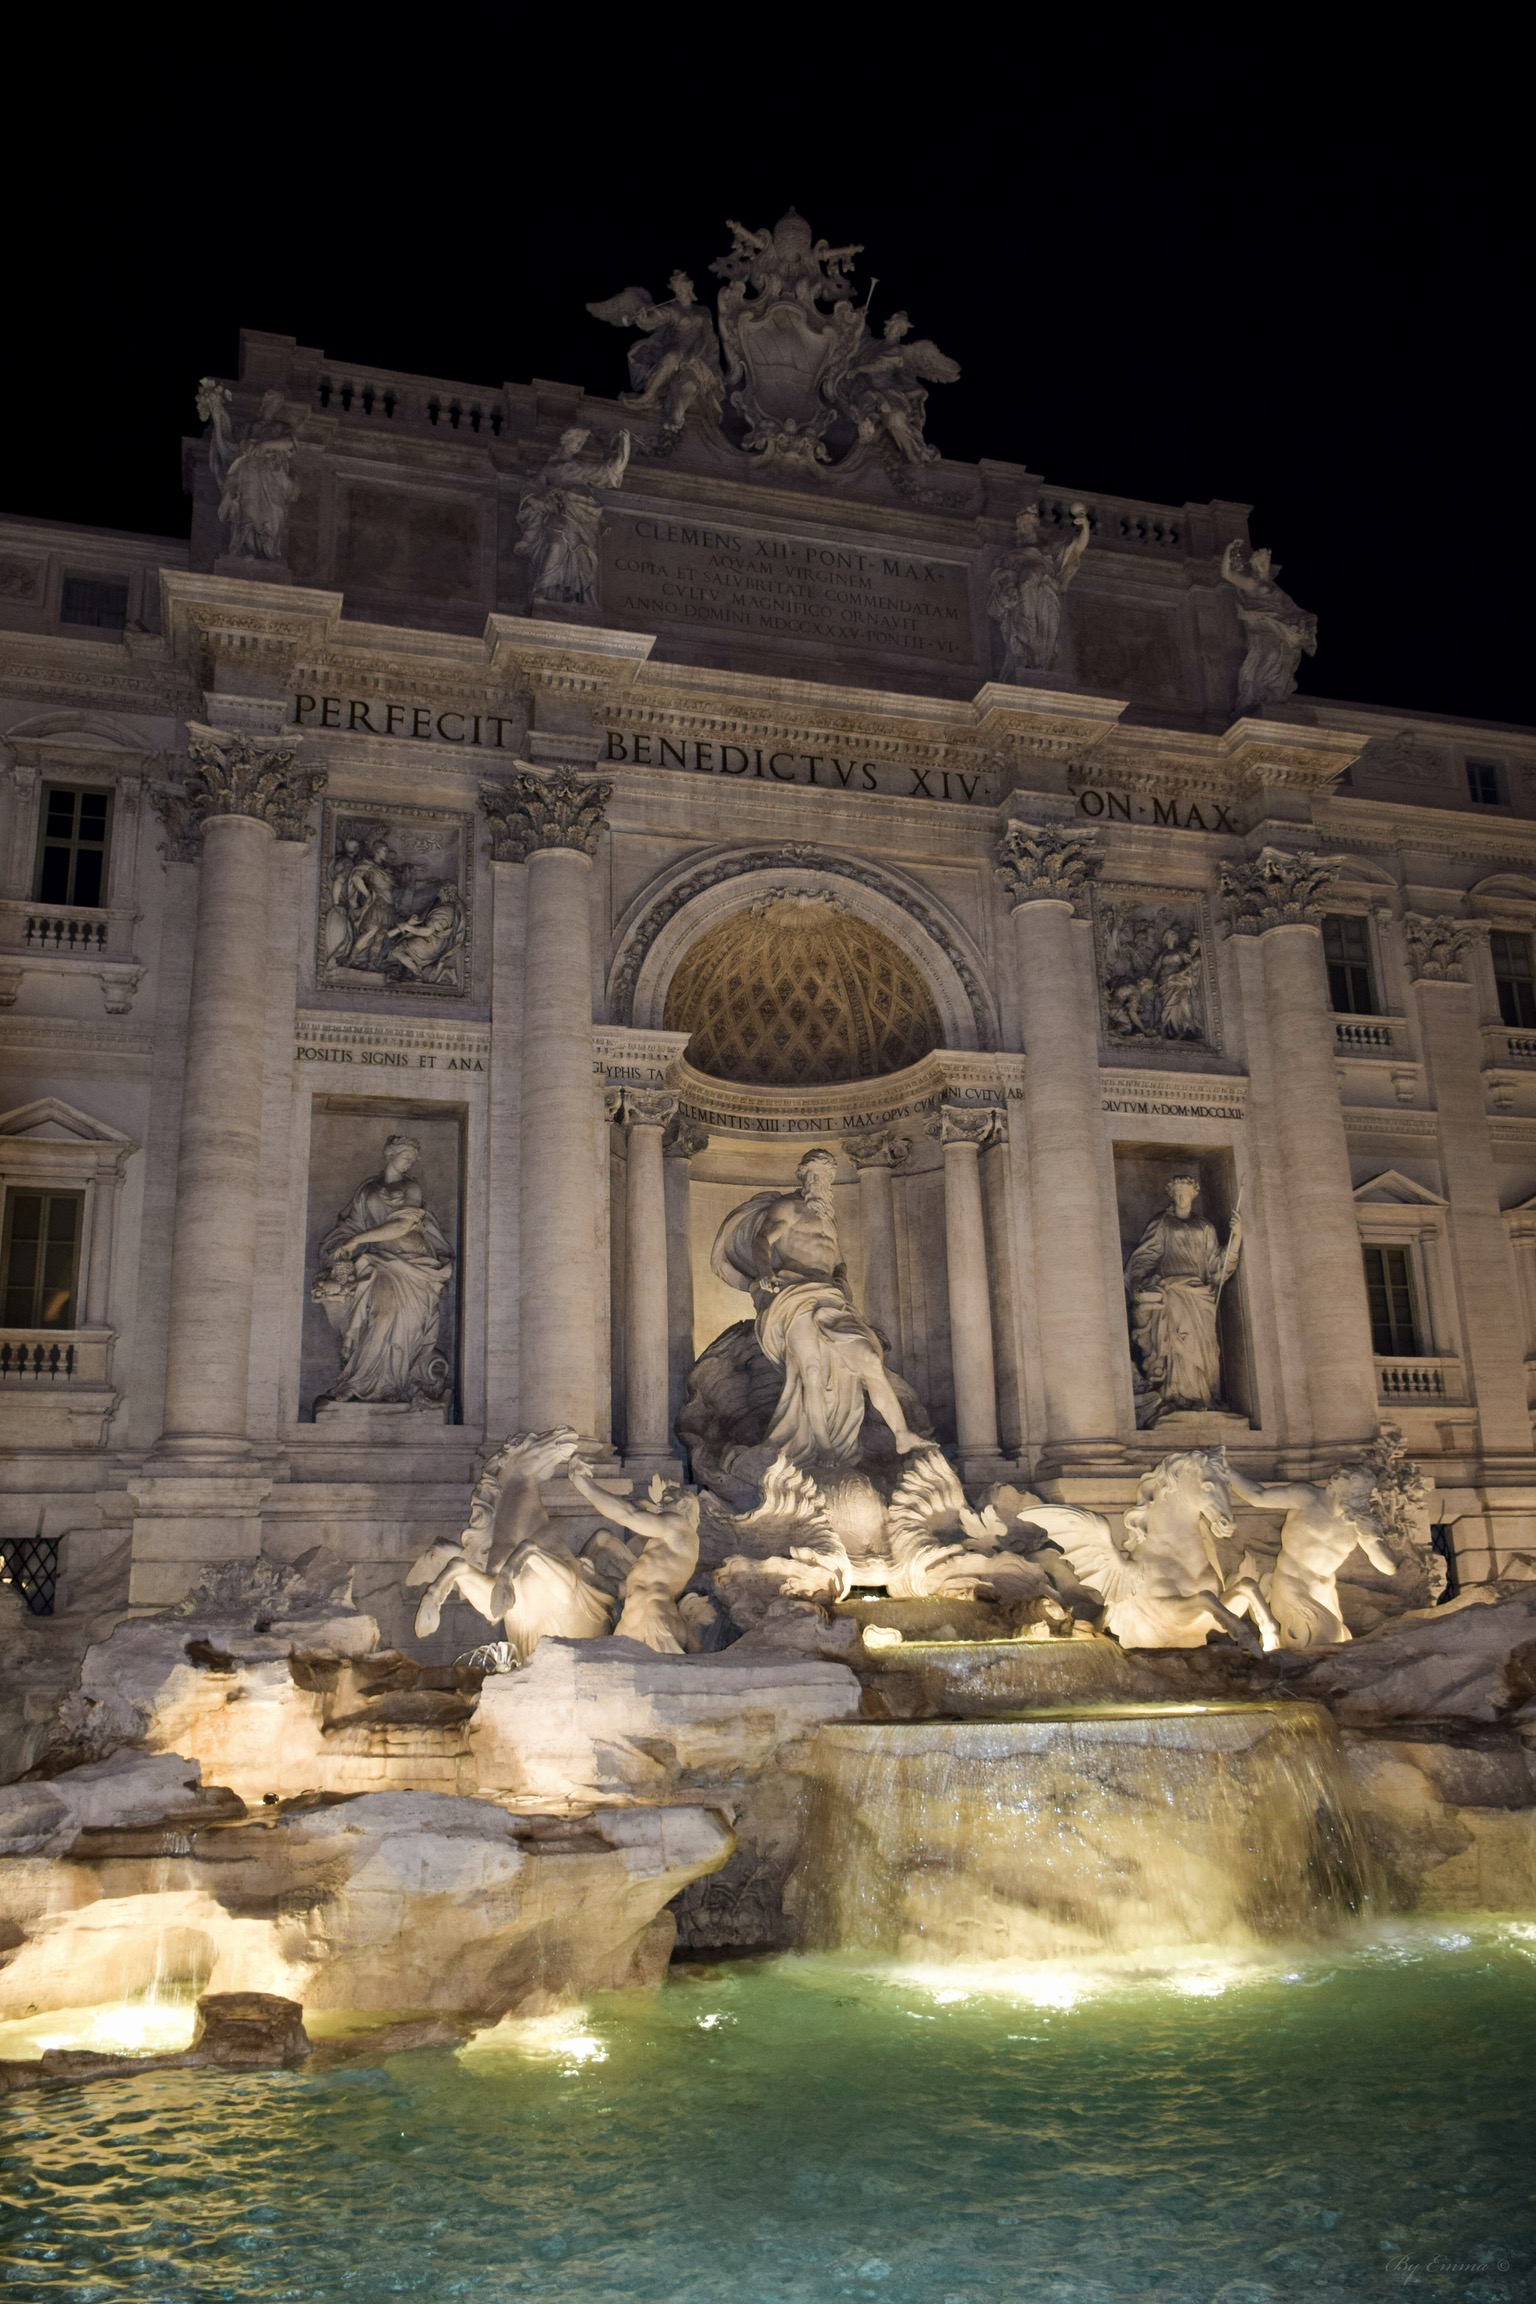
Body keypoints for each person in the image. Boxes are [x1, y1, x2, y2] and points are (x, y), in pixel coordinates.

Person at [711, 1147, 925, 1464]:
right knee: (809, 1370)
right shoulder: (789, 1207)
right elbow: (762, 1241)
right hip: (794, 1295)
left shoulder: (828, 1219)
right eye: (814, 1174)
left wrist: (842, 1281)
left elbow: (838, 1261)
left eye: (825, 1175)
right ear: (802, 1175)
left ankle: (903, 1435)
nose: (819, 1181)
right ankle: (823, 1448)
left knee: (868, 1360)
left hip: (830, 1298)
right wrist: (765, 1273)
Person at [312, 1136, 453, 1405]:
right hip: (380, 1262)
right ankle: (360, 1382)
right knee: (380, 1316)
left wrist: (357, 1241)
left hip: (413, 1262)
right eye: (406, 1155)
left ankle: (392, 1385)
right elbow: (350, 1225)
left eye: (413, 1158)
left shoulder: (411, 1186)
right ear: (390, 1154)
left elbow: (401, 1226)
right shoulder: (367, 1190)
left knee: (402, 1325)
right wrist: (342, 1246)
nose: (410, 1161)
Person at [1124, 1175, 1239, 1416]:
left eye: (1185, 1193)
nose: (1180, 1197)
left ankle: (1203, 1396)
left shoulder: (1205, 1227)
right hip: (1173, 1292)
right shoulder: (1163, 1223)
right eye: (1176, 1192)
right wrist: (1137, 1280)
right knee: (1176, 1345)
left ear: (1194, 1195)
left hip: (1199, 1296)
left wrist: (1236, 1237)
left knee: (1205, 1348)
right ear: (1171, 1194)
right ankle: (1175, 1395)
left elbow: (1217, 1265)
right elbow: (1146, 1256)